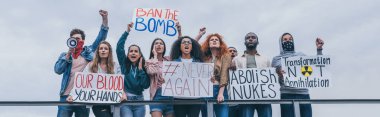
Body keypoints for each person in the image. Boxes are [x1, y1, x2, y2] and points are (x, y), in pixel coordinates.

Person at [54, 10, 109, 117]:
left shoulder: (88, 51)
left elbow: (101, 37)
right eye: (73, 39)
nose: (76, 41)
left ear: (83, 40)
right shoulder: (64, 55)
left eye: (78, 39)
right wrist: (68, 54)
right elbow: (58, 70)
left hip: (82, 96)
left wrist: (105, 19)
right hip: (66, 96)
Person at [272, 33, 324, 117]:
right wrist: (279, 72)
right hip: (286, 94)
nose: (288, 41)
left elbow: (317, 65)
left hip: (303, 94)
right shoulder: (276, 59)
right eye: (285, 39)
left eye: (290, 39)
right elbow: (274, 73)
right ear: (280, 43)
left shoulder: (301, 55)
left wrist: (319, 50)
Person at [232, 32, 272, 117]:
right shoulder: (236, 59)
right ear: (244, 42)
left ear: (257, 42)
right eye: (248, 38)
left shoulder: (266, 59)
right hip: (246, 98)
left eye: (253, 37)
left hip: (264, 97)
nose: (250, 39)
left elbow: (270, 77)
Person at [116, 22, 150, 117]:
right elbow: (119, 47)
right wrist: (127, 31)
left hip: (139, 102)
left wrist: (140, 70)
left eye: (136, 51)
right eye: (131, 51)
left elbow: (145, 85)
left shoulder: (144, 67)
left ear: (139, 55)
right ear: (127, 54)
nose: (133, 53)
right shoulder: (123, 64)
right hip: (126, 101)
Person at [82, 41, 118, 117]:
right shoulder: (91, 65)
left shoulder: (115, 66)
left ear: (109, 52)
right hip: (98, 103)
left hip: (113, 103)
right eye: (101, 48)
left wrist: (123, 93)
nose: (103, 50)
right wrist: (72, 95)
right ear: (98, 51)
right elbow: (82, 81)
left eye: (106, 49)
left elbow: (120, 83)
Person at [170, 36, 204, 117]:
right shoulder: (173, 63)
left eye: (189, 42)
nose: (186, 44)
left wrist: (210, 79)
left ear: (192, 47)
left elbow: (204, 80)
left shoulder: (199, 63)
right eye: (184, 42)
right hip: (178, 99)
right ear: (180, 47)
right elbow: (171, 81)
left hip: (195, 100)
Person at [199, 32, 231, 117]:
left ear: (220, 43)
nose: (214, 41)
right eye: (211, 40)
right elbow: (192, 46)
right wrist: (200, 35)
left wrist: (220, 93)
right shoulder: (203, 57)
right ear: (208, 44)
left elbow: (224, 74)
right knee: (206, 115)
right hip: (205, 90)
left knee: (223, 115)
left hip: (220, 88)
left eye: (216, 40)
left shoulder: (226, 56)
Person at [145, 38, 175, 117]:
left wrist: (179, 31)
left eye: (161, 43)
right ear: (153, 47)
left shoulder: (169, 60)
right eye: (156, 43)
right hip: (157, 96)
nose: (158, 45)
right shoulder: (149, 62)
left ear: (164, 47)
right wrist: (155, 56)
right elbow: (152, 72)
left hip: (170, 96)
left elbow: (179, 49)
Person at [227, 46, 240, 117]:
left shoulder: (242, 66)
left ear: (237, 54)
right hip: (228, 102)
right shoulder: (221, 67)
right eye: (230, 51)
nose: (232, 52)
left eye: (234, 51)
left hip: (241, 103)